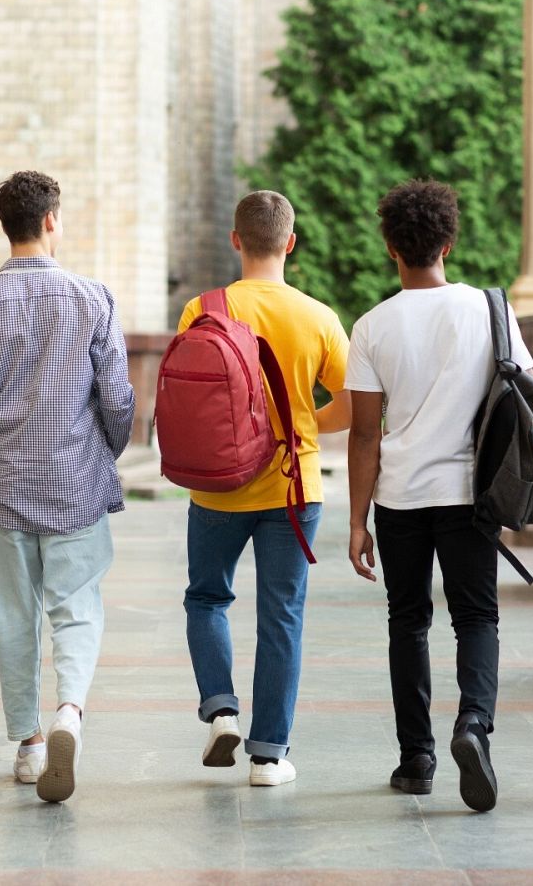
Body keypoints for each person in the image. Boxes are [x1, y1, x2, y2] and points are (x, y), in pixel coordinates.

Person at [345, 180, 533, 812]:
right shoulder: (489, 310)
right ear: (448, 243)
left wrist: (356, 521)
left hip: (399, 498)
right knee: (476, 617)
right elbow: (520, 402)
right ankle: (473, 726)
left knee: (409, 622)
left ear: (390, 247)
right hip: (470, 495)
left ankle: (416, 759)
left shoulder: (372, 327)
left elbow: (365, 433)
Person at [0, 170, 135, 804]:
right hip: (74, 483)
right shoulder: (93, 300)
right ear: (52, 220)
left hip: (4, 483)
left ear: (7, 226)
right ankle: (69, 715)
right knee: (76, 605)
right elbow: (116, 399)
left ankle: (29, 745)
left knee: (14, 613)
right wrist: (105, 451)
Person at [179, 190, 351, 788]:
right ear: (291, 243)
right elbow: (352, 406)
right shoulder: (319, 317)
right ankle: (269, 757)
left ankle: (221, 711)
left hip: (218, 489)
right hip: (293, 488)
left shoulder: (203, 308)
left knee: (206, 599)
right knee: (281, 617)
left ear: (235, 240)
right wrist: (303, 423)